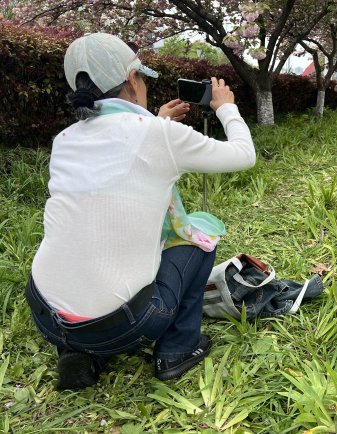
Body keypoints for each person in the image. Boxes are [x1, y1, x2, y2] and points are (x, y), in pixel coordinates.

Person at [24, 33, 256, 389]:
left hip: (45, 311)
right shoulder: (157, 134)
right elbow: (243, 155)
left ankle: (81, 353)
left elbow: (120, 155)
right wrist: (225, 106)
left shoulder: (65, 139)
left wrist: (158, 121)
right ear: (132, 79)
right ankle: (178, 350)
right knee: (200, 238)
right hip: (127, 323)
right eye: (143, 78)